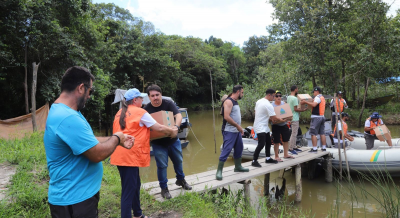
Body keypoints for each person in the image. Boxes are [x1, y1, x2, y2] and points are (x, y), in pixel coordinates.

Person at [43, 66, 134, 218]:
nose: (89, 96)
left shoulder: (65, 111)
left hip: (76, 199)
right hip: (74, 202)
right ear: (81, 88)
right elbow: (97, 154)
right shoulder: (67, 117)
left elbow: (88, 141)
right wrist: (117, 137)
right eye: (90, 91)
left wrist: (117, 140)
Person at [110, 88, 177, 218]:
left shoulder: (119, 113)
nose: (143, 100)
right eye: (141, 98)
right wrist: (172, 131)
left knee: (135, 185)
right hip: (129, 156)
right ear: (135, 100)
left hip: (120, 155)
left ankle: (138, 214)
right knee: (128, 191)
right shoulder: (140, 112)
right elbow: (158, 127)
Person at [144, 84, 192, 199]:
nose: (155, 97)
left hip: (173, 140)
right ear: (149, 97)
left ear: (161, 95)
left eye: (157, 95)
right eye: (152, 96)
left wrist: (176, 126)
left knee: (179, 161)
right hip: (158, 143)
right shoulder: (146, 109)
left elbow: (178, 115)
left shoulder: (168, 103)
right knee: (162, 166)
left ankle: (181, 180)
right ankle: (164, 188)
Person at [216, 85, 249, 180]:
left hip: (236, 131)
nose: (242, 94)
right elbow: (226, 117)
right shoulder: (229, 101)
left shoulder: (235, 102)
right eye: (242, 92)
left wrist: (240, 128)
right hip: (229, 131)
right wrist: (238, 126)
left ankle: (238, 167)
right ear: (238, 92)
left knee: (239, 148)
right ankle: (219, 171)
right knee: (227, 150)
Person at [251, 88, 286, 167]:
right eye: (274, 96)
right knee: (261, 144)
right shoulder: (268, 104)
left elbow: (256, 112)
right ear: (269, 95)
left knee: (269, 141)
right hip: (260, 127)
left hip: (263, 125)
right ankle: (254, 160)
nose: (274, 98)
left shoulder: (259, 101)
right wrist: (283, 119)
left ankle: (268, 158)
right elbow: (274, 117)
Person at [301, 86, 327, 152]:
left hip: (316, 117)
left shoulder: (317, 98)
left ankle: (314, 148)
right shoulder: (322, 97)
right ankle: (324, 147)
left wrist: (305, 102)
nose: (313, 93)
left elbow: (314, 105)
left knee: (313, 133)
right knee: (322, 133)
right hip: (322, 117)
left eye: (314, 92)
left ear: (317, 91)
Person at [272, 91, 295, 161]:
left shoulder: (284, 104)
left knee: (286, 139)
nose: (279, 97)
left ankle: (286, 154)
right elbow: (272, 118)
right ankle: (276, 156)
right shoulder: (272, 105)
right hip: (275, 125)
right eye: (277, 96)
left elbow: (289, 114)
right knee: (276, 141)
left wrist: (288, 117)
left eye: (280, 96)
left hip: (284, 124)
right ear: (274, 97)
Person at [287, 85, 307, 154]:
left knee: (294, 133)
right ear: (295, 90)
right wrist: (303, 110)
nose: (297, 90)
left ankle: (294, 146)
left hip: (290, 117)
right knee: (294, 133)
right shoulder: (295, 98)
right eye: (297, 89)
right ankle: (291, 148)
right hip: (295, 118)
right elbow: (295, 109)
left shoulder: (288, 97)